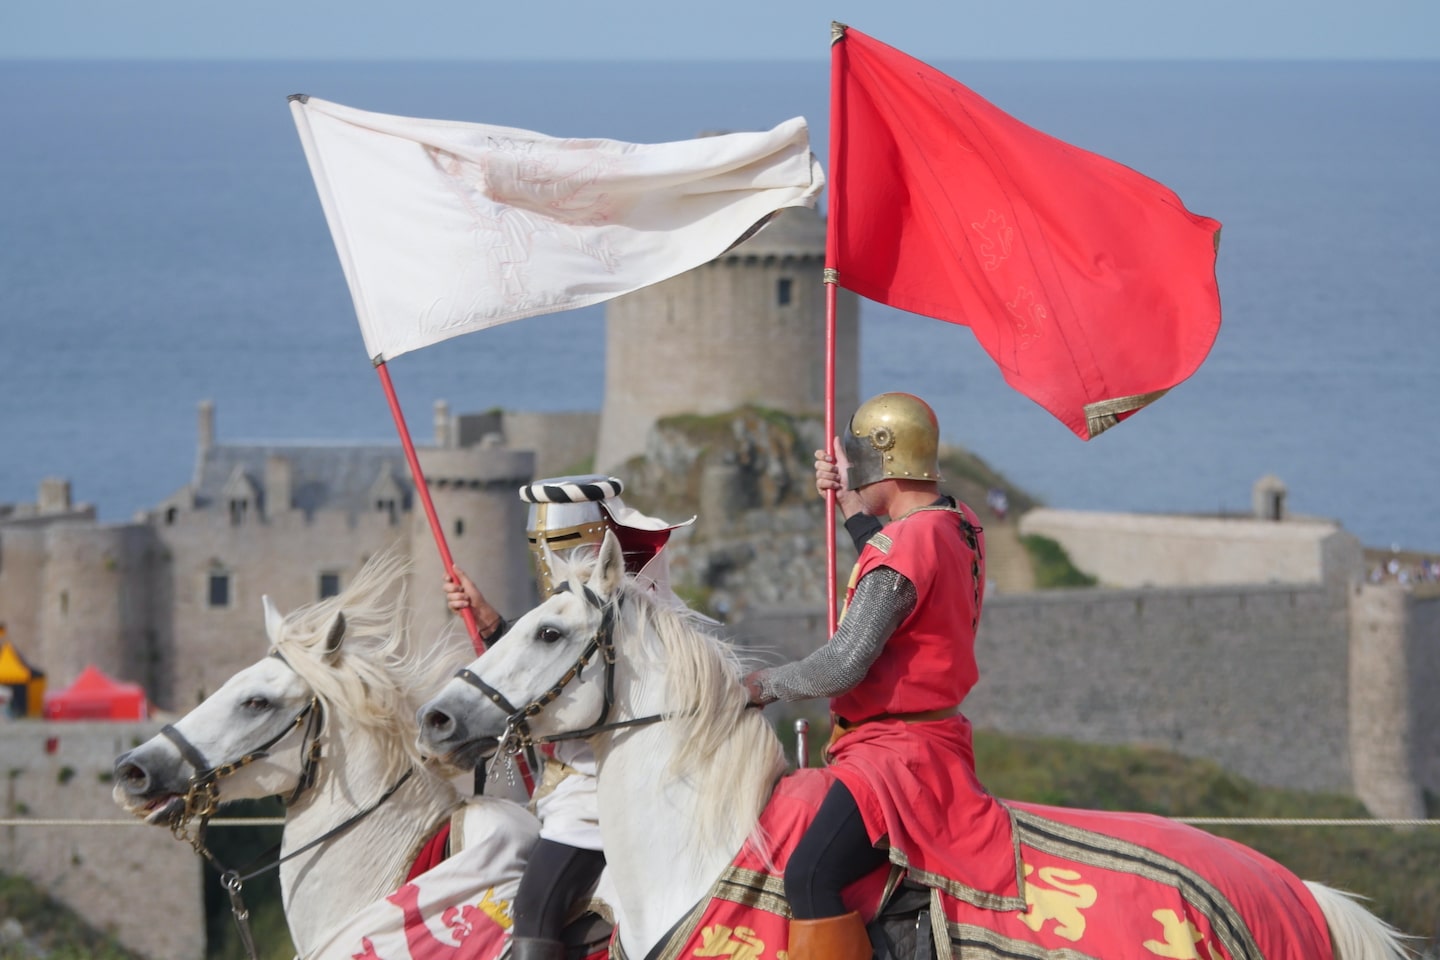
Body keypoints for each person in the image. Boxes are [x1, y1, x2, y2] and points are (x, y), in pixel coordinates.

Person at [743, 393, 1023, 960]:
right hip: (935, 740)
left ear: (883, 460)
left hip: (894, 756)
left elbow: (844, 663)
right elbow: (894, 556)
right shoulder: (957, 520)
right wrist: (849, 499)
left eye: (856, 459)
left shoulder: (907, 544)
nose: (849, 468)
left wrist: (761, 686)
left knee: (809, 878)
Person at [444, 474, 692, 960]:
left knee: (535, 907)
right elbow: (558, 661)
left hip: (599, 796)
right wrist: (492, 624)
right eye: (540, 543)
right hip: (575, 789)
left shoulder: (640, 609)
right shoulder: (599, 601)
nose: (547, 555)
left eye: (557, 543)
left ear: (601, 543)